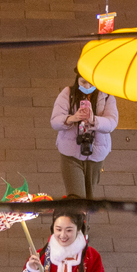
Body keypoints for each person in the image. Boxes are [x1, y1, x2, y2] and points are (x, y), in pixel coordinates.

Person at [50, 70, 118, 199]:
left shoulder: (107, 96)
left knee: (89, 198)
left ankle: (83, 219)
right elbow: (55, 121)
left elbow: (112, 122)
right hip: (71, 154)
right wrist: (72, 118)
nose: (87, 87)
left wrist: (95, 121)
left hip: (96, 153)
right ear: (77, 80)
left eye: (91, 83)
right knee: (76, 197)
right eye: (83, 82)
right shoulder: (68, 93)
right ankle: (74, 218)